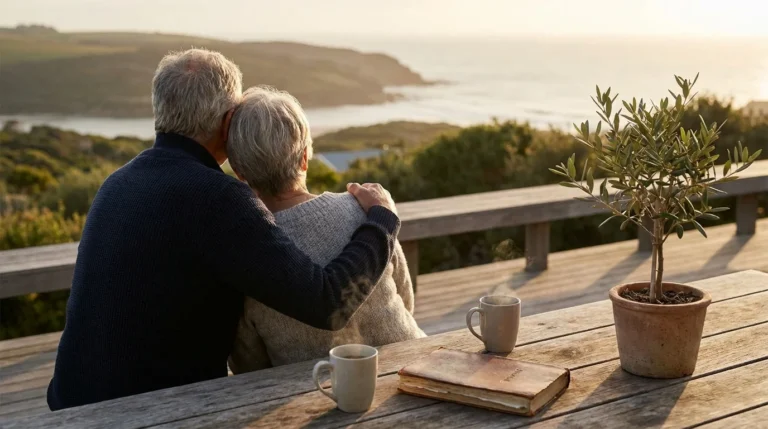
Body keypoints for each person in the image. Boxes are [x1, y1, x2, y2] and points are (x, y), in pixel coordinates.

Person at [47, 49, 401, 410]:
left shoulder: (117, 182)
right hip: (154, 411)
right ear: (229, 122)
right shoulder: (215, 197)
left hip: (70, 401)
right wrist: (382, 221)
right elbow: (328, 304)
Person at [225, 87, 426, 373]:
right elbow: (406, 299)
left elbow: (249, 362)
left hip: (319, 397)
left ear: (238, 171)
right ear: (305, 157)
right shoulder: (367, 210)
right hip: (414, 368)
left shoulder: (246, 252)